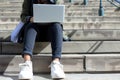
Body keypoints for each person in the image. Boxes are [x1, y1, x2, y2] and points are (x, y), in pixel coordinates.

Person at [18, 0, 65, 79]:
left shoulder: (57, 0)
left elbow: (60, 16)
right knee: (30, 26)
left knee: (57, 25)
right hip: (34, 32)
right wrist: (30, 18)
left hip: (50, 32)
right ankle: (26, 64)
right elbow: (23, 16)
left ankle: (56, 63)